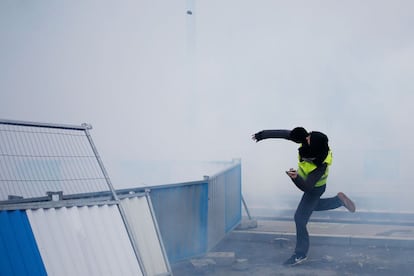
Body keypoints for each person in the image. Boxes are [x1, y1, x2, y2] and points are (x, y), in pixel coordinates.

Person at [252, 127, 356, 266]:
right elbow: (285, 134)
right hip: (313, 187)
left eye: (309, 138)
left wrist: (295, 178)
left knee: (299, 218)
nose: (306, 138)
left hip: (315, 188)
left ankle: (300, 254)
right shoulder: (310, 142)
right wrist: (262, 135)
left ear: (314, 147)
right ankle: (338, 201)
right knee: (312, 206)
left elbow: (307, 186)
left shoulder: (321, 165)